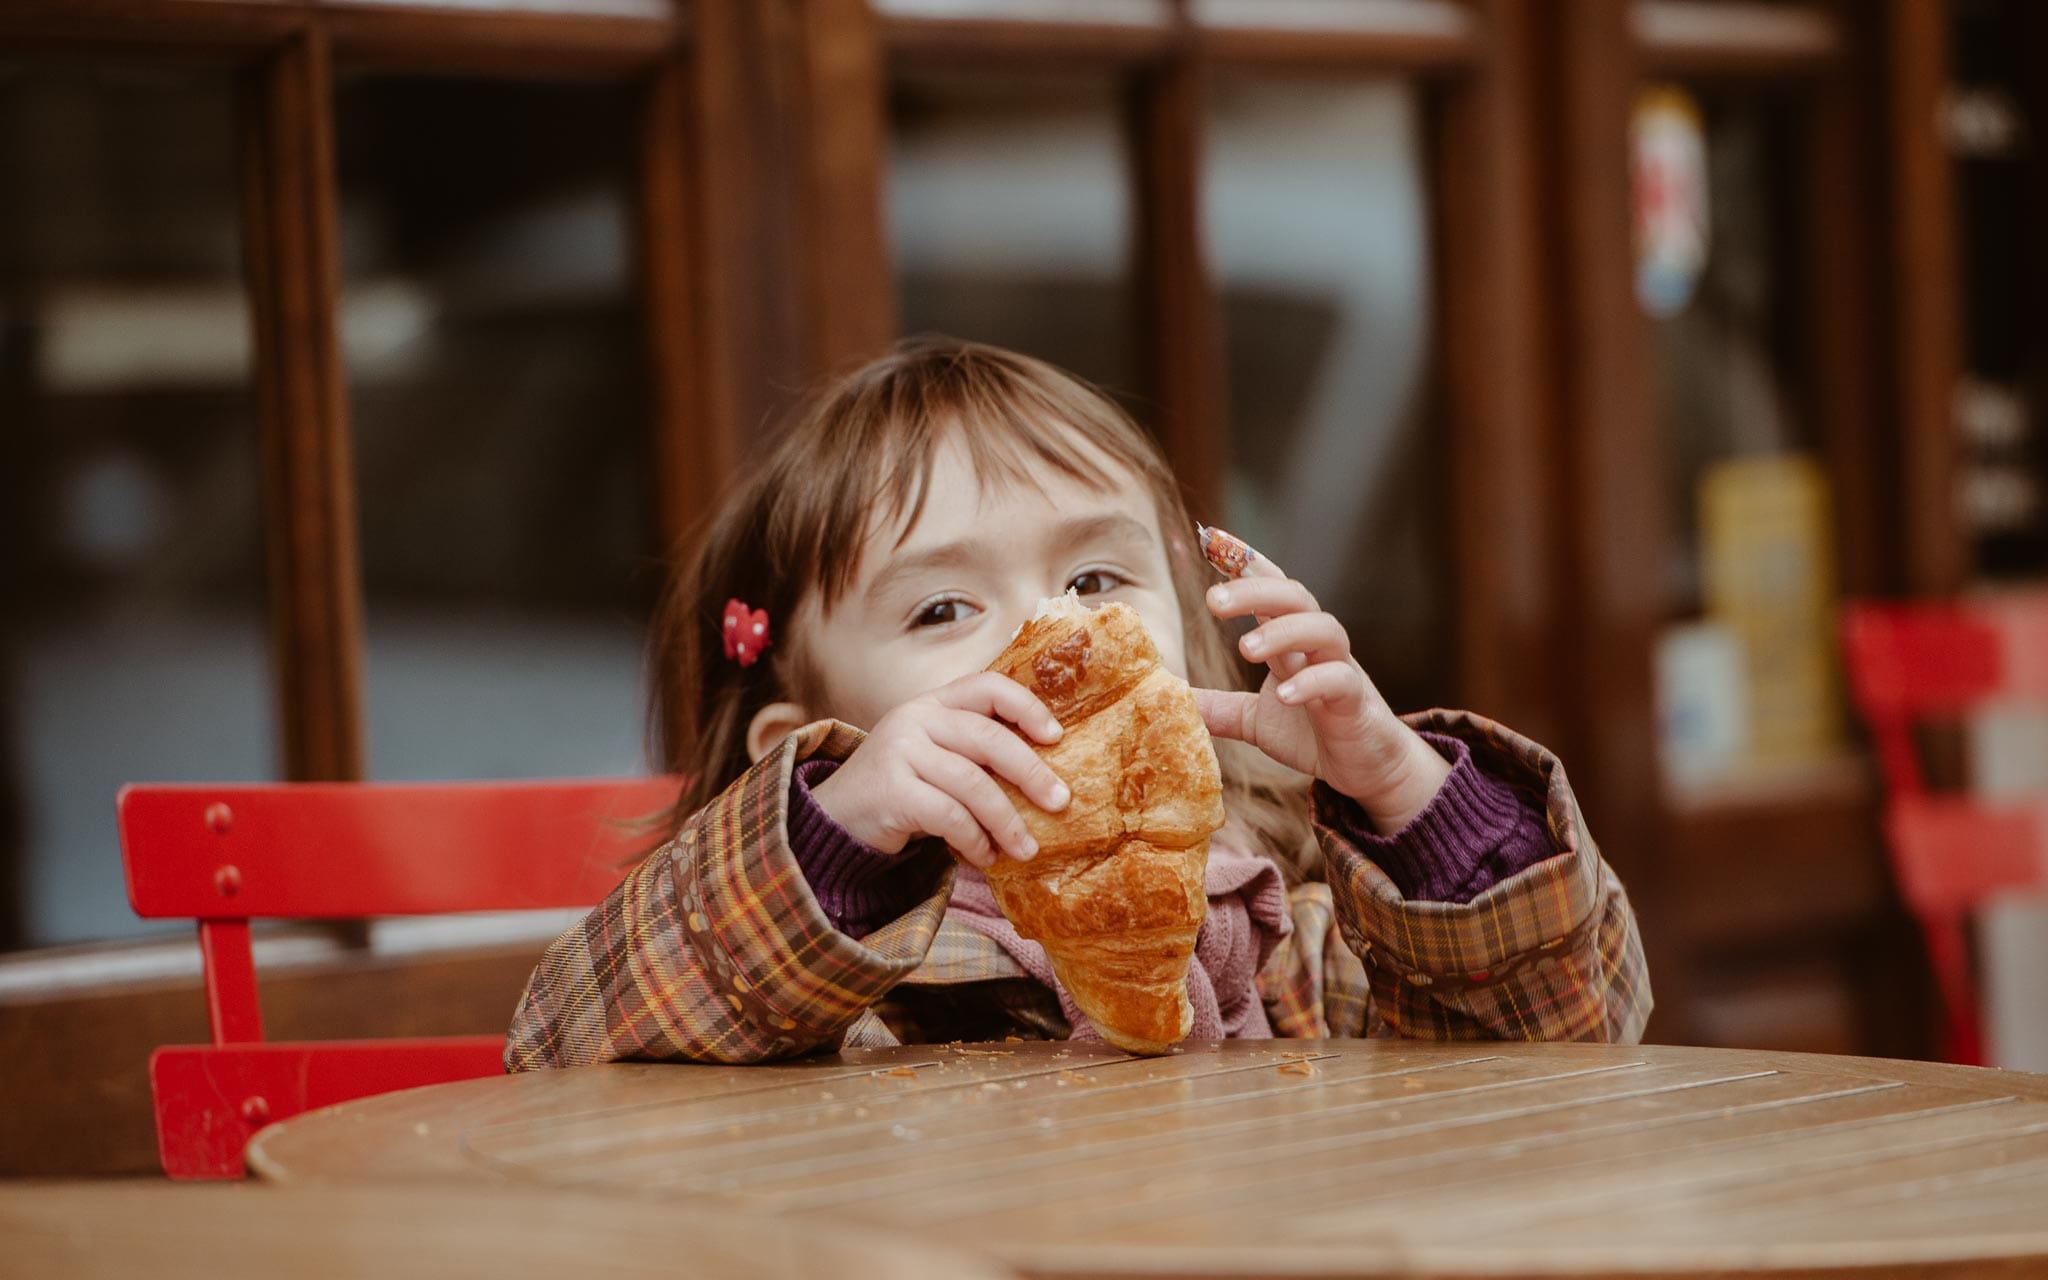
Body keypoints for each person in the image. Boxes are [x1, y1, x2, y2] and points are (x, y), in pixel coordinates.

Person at [504, 338, 1649, 1069]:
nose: (1050, 633)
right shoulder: (834, 997)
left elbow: (1572, 1047)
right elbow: (564, 1057)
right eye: (941, 607)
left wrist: (1408, 796)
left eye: (1096, 579)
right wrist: (829, 842)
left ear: (1194, 642)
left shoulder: (1291, 931)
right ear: (801, 748)